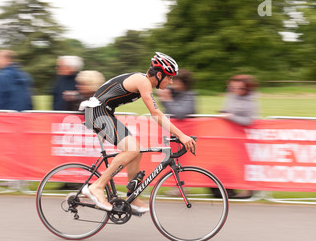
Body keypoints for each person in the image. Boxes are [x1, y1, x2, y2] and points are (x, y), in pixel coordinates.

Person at [80, 52, 196, 213]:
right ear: (160, 74)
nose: (171, 82)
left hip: (103, 112)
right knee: (132, 149)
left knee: (136, 150)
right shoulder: (143, 81)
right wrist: (182, 135)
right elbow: (156, 114)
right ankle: (97, 187)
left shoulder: (142, 81)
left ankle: (131, 196)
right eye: (169, 77)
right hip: (97, 113)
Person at [218, 74, 260, 199]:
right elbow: (226, 110)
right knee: (232, 162)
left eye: (239, 88)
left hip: (246, 137)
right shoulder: (231, 95)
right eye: (233, 87)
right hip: (231, 136)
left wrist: (230, 117)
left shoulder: (251, 99)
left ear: (247, 89)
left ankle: (249, 190)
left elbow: (248, 120)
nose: (235, 90)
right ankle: (230, 187)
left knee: (244, 163)